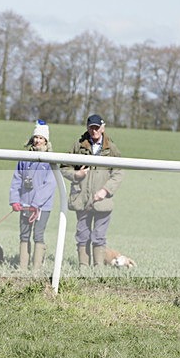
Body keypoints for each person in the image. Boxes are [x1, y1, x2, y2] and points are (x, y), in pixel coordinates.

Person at [60, 114, 124, 269]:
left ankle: (98, 268)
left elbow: (119, 172)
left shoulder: (111, 148)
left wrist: (105, 190)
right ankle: (83, 267)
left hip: (103, 201)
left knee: (99, 236)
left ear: (103, 128)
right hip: (81, 198)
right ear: (87, 128)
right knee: (82, 235)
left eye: (97, 128)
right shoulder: (78, 145)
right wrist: (77, 175)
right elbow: (64, 166)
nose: (94, 131)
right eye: (91, 128)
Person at [9, 120, 56, 270]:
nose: (37, 140)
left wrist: (36, 204)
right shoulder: (24, 158)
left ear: (46, 141)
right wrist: (14, 200)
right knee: (24, 235)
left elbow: (49, 185)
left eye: (41, 138)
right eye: (36, 137)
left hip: (42, 207)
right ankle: (22, 267)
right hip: (24, 204)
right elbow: (17, 179)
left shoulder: (51, 160)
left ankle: (36, 268)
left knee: (38, 235)